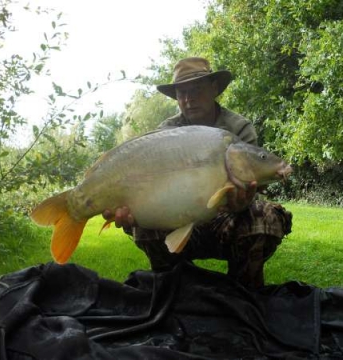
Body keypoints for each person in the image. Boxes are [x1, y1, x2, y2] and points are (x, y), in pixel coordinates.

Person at [103, 57, 292, 288]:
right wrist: (129, 211)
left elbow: (250, 188)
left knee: (265, 218)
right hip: (175, 217)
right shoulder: (165, 133)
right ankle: (173, 289)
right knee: (143, 226)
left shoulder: (239, 128)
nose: (188, 99)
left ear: (214, 88)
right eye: (181, 93)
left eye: (196, 90)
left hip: (226, 219)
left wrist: (241, 202)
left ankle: (245, 294)